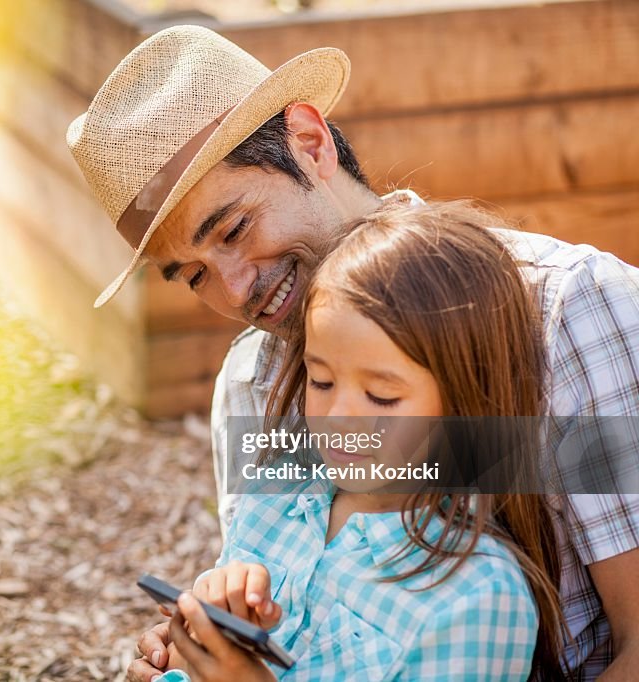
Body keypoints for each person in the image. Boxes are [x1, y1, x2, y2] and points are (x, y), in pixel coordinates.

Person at [64, 25, 639, 681]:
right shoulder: (254, 382)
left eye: (233, 228)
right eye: (192, 275)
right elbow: (288, 623)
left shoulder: (571, 309)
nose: (234, 289)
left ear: (310, 143)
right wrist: (201, 651)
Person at [162, 201, 568, 681]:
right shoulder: (277, 494)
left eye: (381, 396)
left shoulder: (478, 597)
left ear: (468, 402)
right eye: (321, 381)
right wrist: (195, 642)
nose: (338, 418)